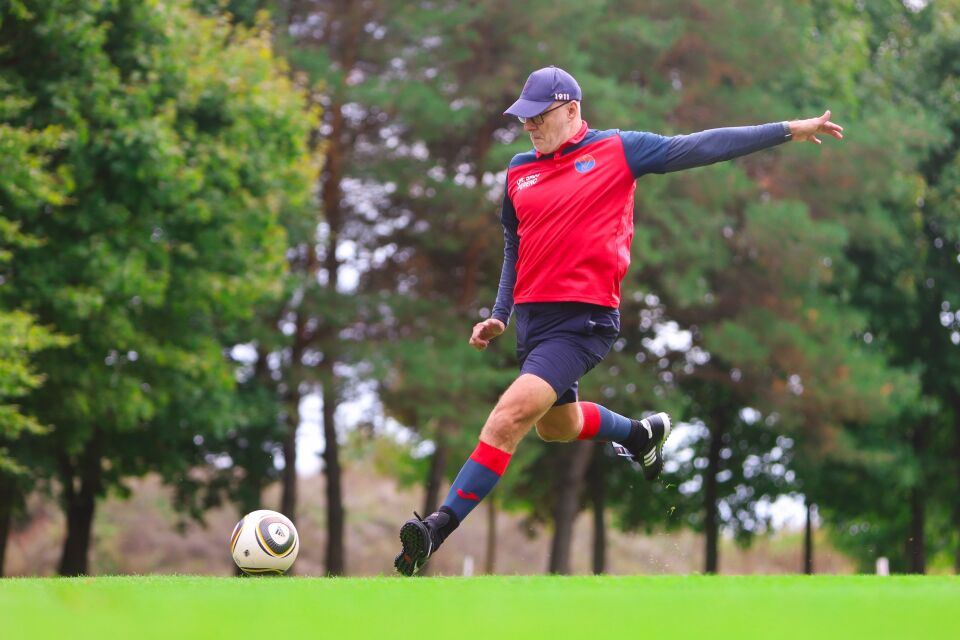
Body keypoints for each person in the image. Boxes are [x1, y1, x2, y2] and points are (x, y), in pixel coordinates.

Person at [394, 65, 843, 576]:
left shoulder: (618, 150)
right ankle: (638, 435)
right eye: (523, 118)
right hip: (534, 325)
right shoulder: (518, 170)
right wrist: (499, 314)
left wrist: (787, 129)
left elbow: (702, 145)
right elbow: (513, 246)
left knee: (508, 418)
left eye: (539, 117)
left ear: (571, 111)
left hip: (583, 321)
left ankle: (435, 529)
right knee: (557, 427)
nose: (529, 126)